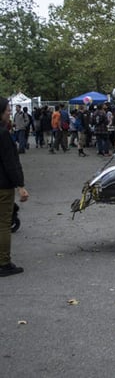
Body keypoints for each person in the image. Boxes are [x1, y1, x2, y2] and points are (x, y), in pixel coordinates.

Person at [0, 97, 29, 276]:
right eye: (7, 110)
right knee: (3, 224)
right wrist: (20, 185)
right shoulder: (3, 134)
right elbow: (10, 162)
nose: (9, 112)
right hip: (3, 185)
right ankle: (3, 262)